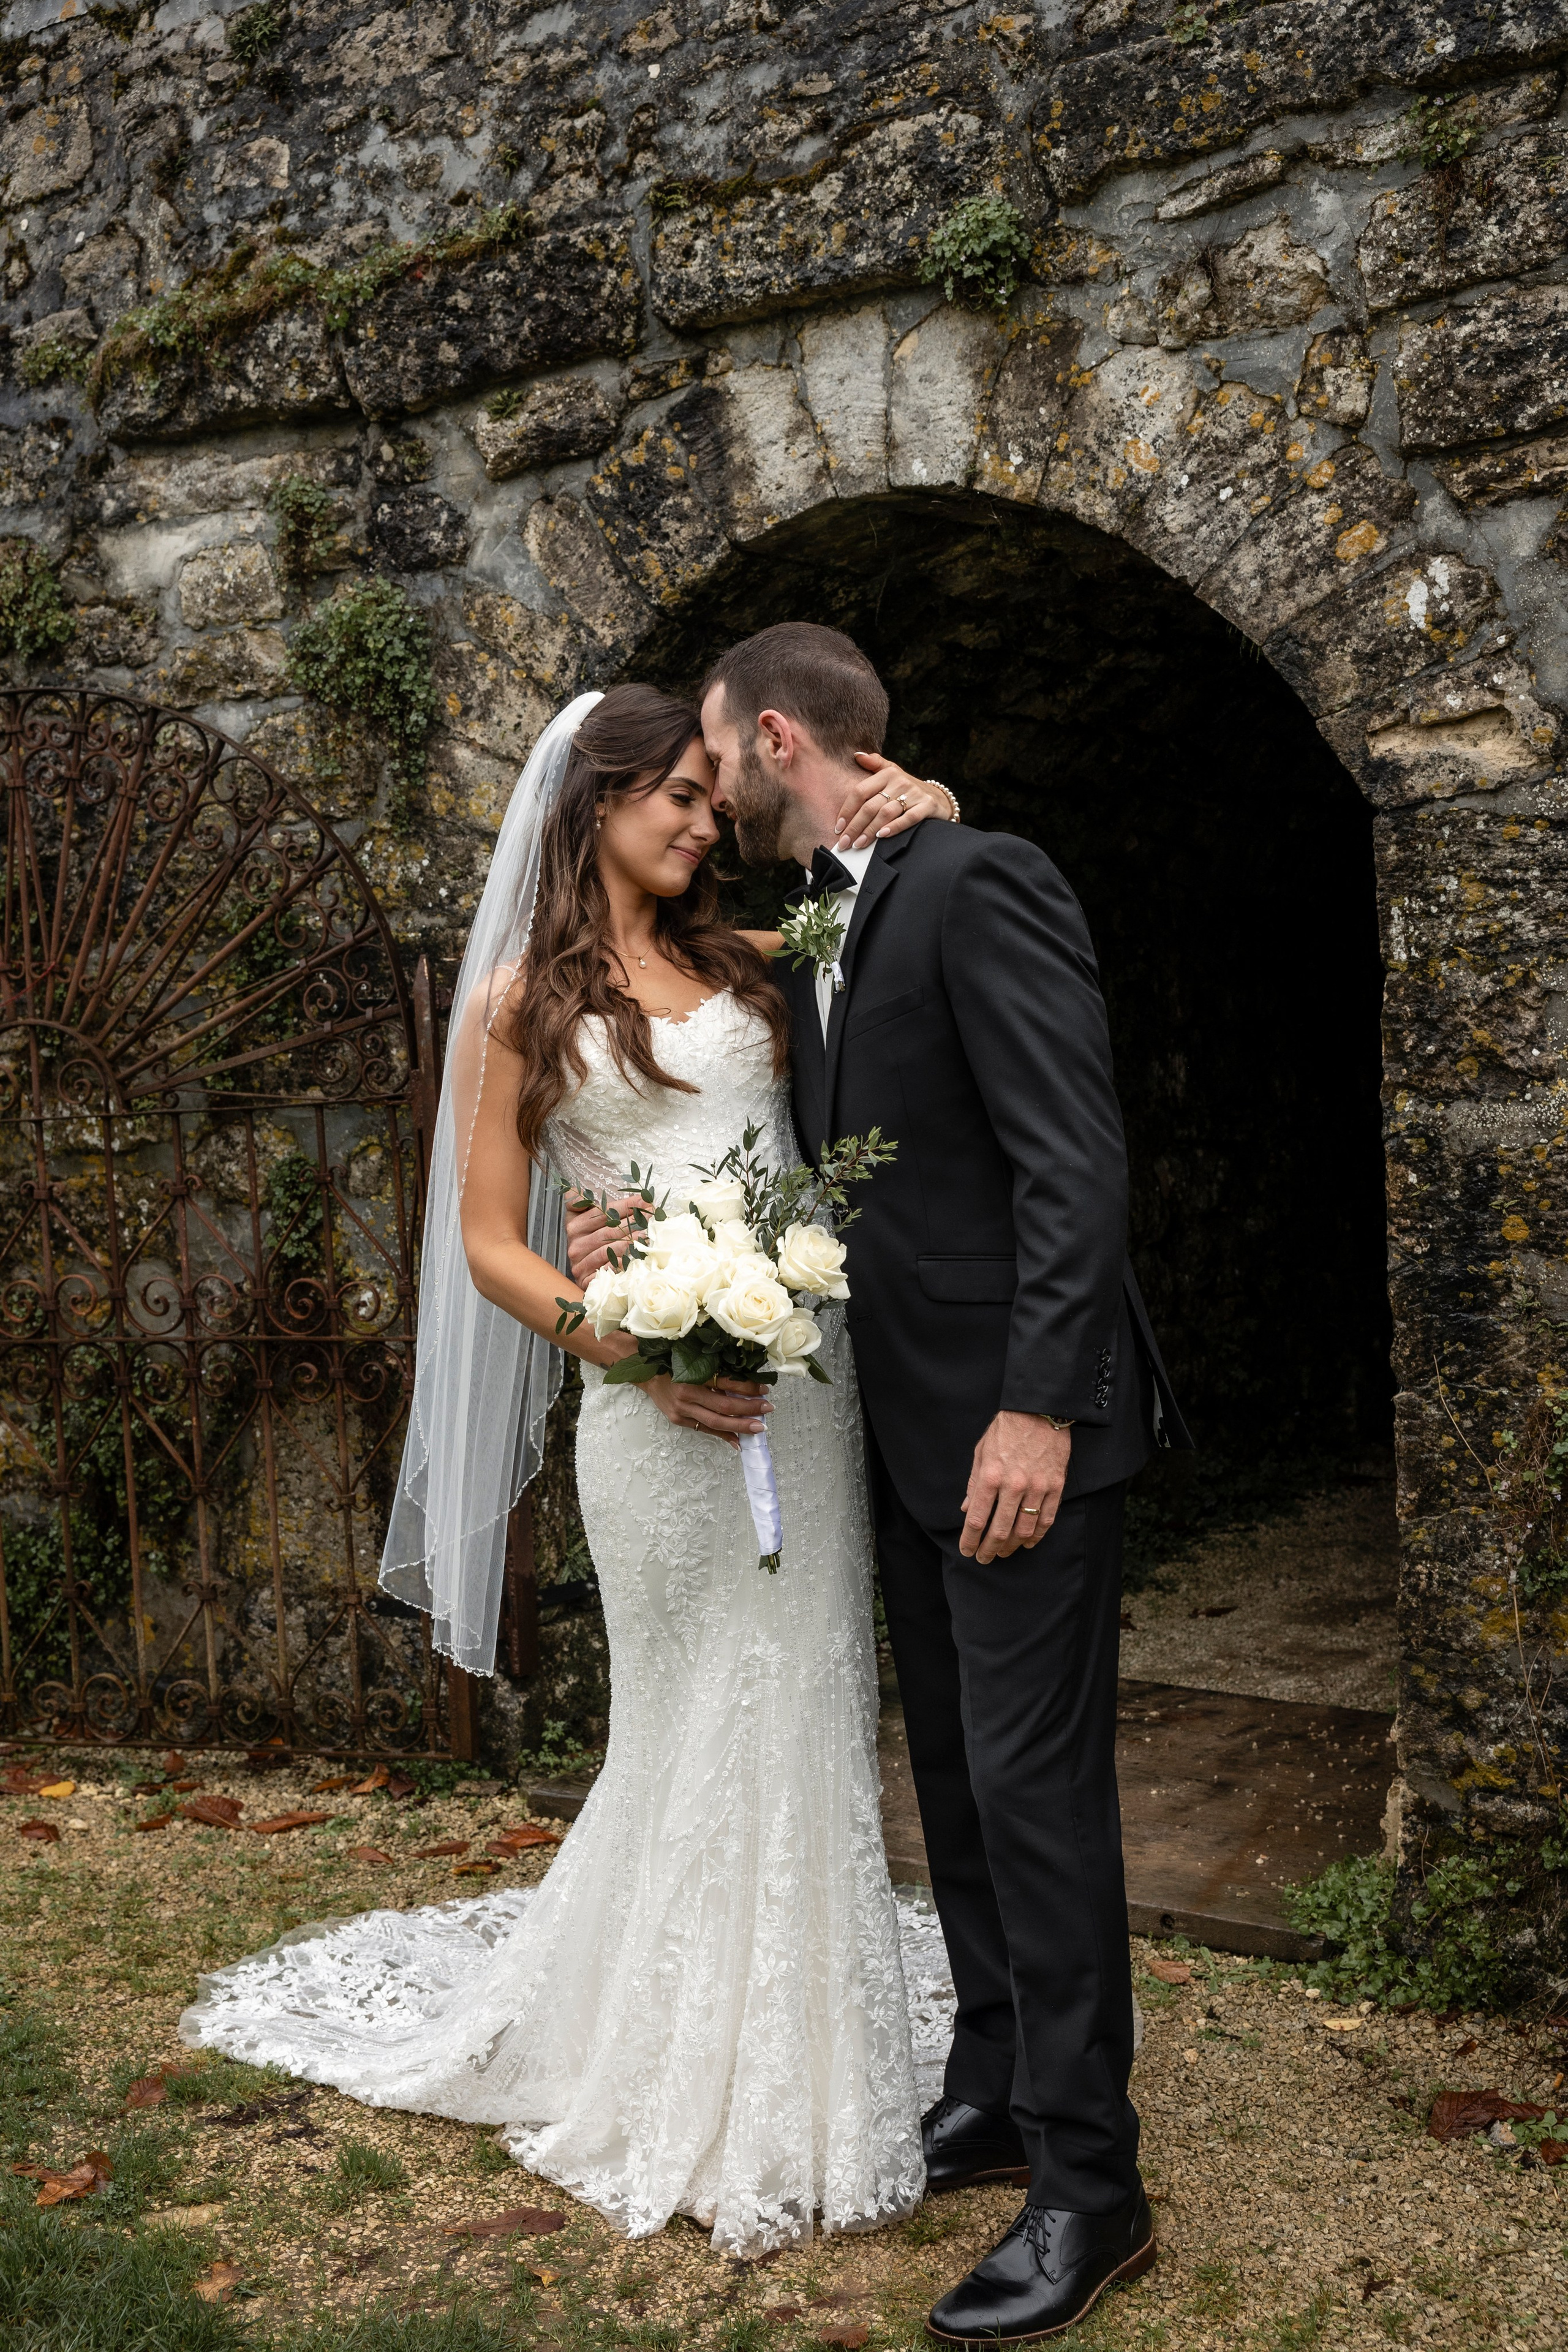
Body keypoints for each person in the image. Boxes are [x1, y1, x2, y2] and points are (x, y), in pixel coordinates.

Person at [177, 684, 953, 2260]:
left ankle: (799, 2060)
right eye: (675, 799)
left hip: (801, 1394)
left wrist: (925, 812)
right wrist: (630, 1345)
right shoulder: (517, 1001)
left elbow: (884, 932)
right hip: (650, 1411)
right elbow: (484, 1242)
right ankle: (670, 2060)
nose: (703, 825)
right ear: (594, 804)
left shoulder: (750, 963)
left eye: (711, 804)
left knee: (804, 1693)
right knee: (689, 1714)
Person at [569, 622, 1191, 2346]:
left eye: (717, 764)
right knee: (960, 1787)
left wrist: (1039, 1412)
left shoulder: (979, 880)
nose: (711, 800)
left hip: (1012, 1440)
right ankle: (995, 2086)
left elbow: (1074, 1164)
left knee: (1037, 1795)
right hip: (894, 1436)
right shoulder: (843, 913)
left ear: (779, 738)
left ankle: (1093, 2188)